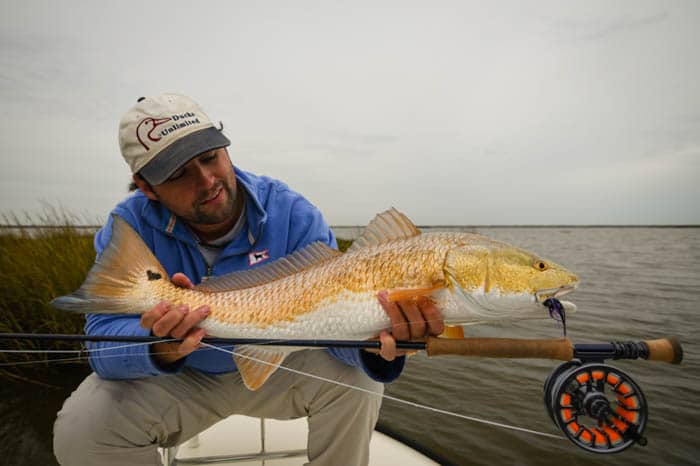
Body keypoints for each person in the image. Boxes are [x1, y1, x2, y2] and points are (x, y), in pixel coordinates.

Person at [53, 93, 444, 466]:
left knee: (360, 379)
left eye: (210, 157)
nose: (207, 180)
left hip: (284, 370)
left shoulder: (292, 213)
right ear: (146, 187)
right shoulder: (129, 225)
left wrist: (375, 345)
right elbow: (101, 343)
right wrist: (161, 349)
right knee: (81, 428)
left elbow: (338, 338)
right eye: (179, 173)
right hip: (183, 379)